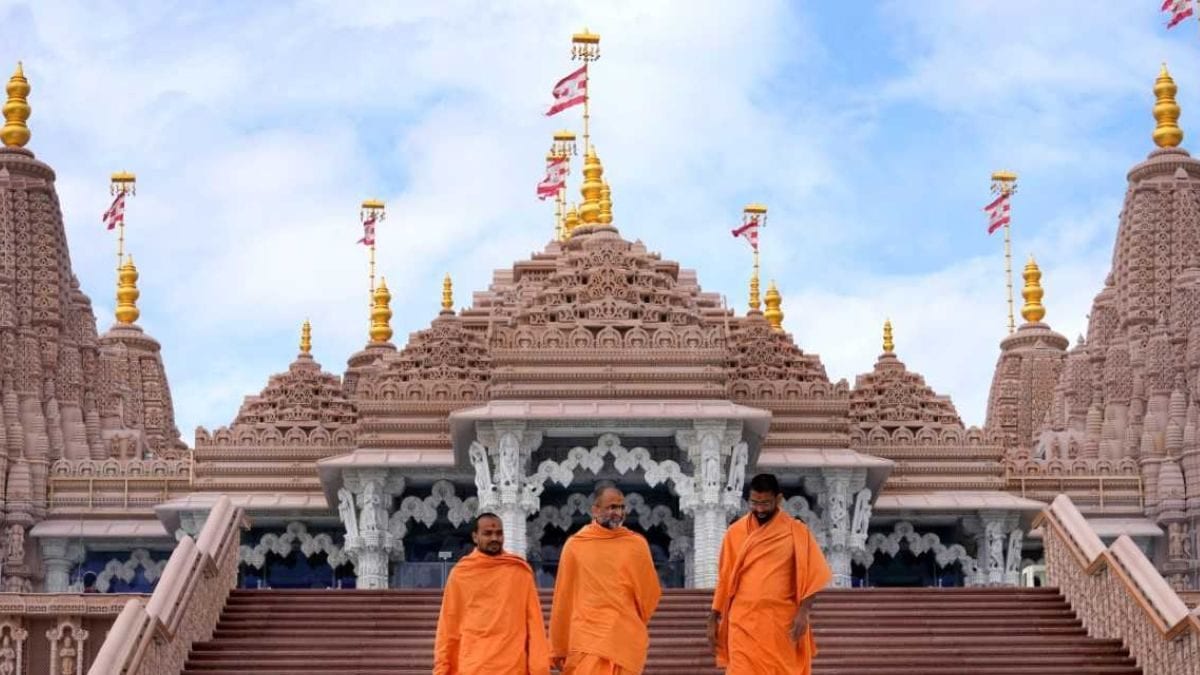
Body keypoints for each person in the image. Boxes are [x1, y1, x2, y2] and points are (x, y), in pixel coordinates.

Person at [708, 473, 832, 675]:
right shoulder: (735, 532)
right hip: (742, 621)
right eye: (754, 502)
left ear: (779, 499)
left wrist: (804, 611)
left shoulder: (796, 532)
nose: (759, 509)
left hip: (780, 622)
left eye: (765, 503)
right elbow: (725, 577)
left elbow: (814, 574)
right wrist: (713, 616)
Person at [549, 481, 662, 674]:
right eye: (611, 507)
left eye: (621, 507)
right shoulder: (575, 546)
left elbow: (650, 594)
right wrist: (558, 646)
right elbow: (563, 596)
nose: (617, 512)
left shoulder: (636, 545)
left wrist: (626, 619)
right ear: (595, 510)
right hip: (587, 637)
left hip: (624, 635)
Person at [433, 512, 550, 675]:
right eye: (487, 533)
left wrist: (539, 668)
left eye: (499, 533)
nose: (494, 538)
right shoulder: (461, 574)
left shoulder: (519, 572)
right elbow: (448, 625)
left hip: (511, 666)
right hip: (474, 665)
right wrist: (442, 667)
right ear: (475, 537)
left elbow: (534, 624)